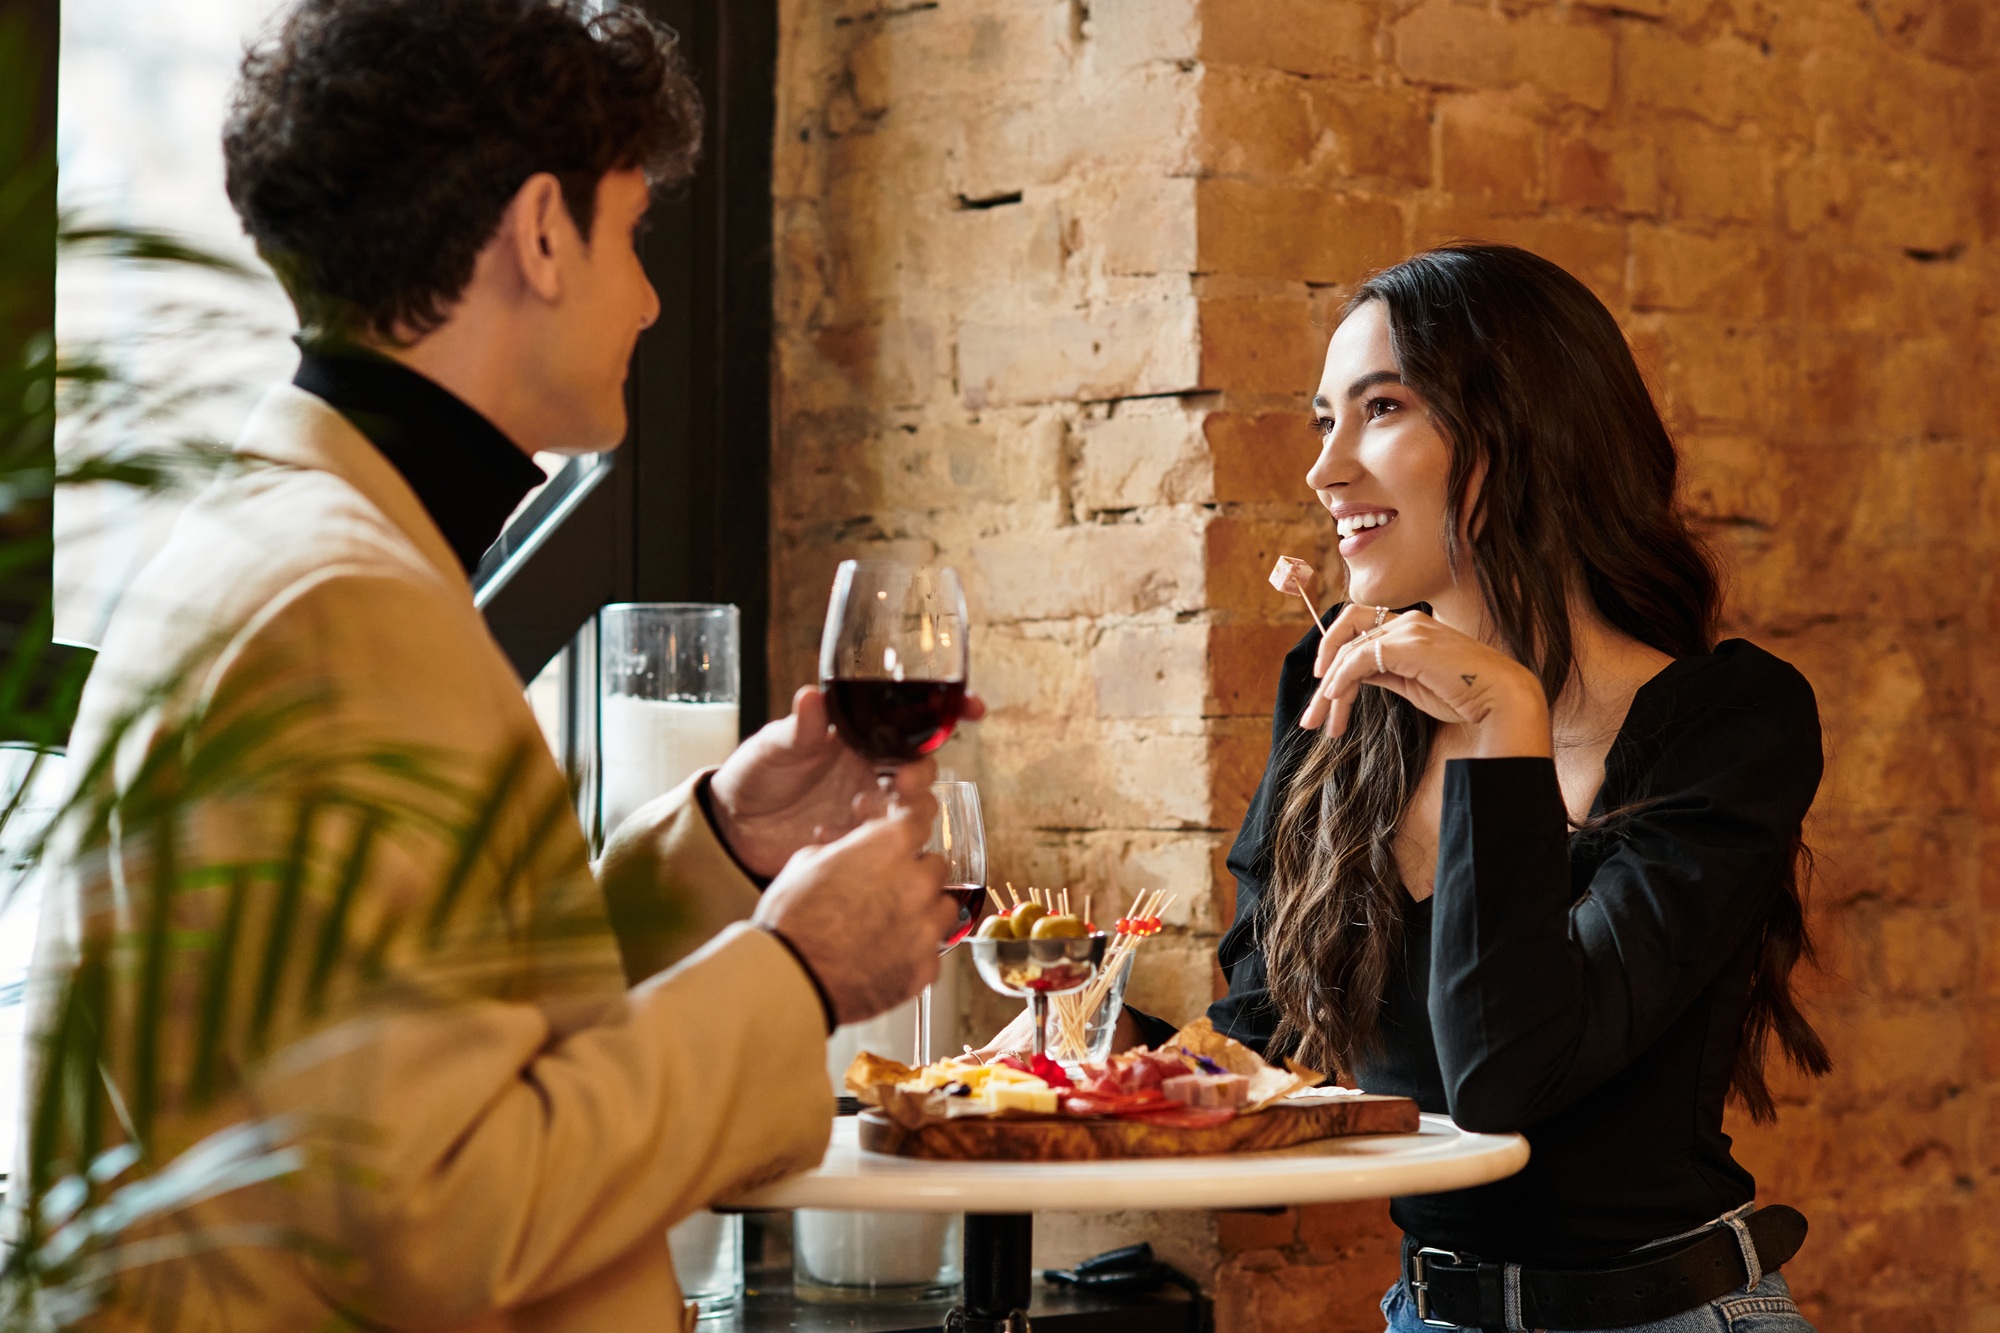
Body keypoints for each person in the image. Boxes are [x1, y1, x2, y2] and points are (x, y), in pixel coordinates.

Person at [30, 1, 970, 1328]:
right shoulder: (335, 604)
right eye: (634, 234)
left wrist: (712, 848)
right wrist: (801, 970)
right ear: (540, 232)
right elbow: (444, 1209)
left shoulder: (295, 538)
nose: (649, 298)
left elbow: (415, 1027)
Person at [992, 244, 1829, 1332]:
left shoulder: (1728, 726)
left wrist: (1501, 722)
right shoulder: (1340, 694)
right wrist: (1075, 1034)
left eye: (1378, 408)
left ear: (1522, 432)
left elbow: (1504, 1081)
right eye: (1320, 420)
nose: (1323, 469)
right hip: (1425, 1316)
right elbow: (1266, 1046)